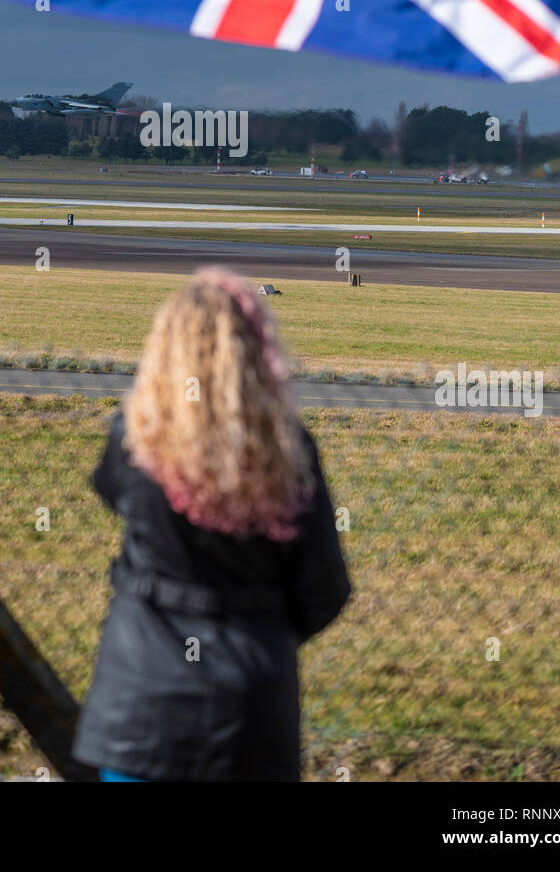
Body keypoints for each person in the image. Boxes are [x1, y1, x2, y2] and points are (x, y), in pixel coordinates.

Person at [73, 266, 351, 782]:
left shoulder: (135, 439)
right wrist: (264, 632)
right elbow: (325, 589)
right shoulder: (290, 450)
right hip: (251, 707)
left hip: (142, 708)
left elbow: (109, 490)